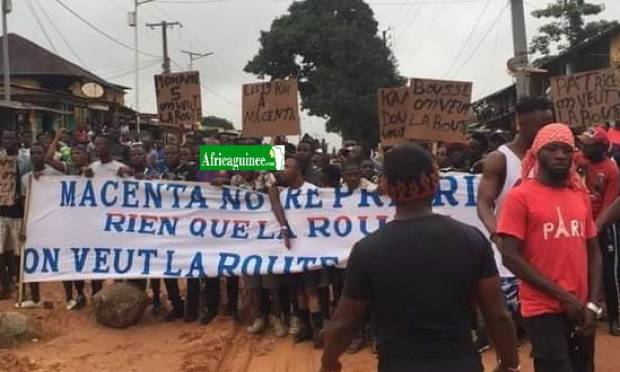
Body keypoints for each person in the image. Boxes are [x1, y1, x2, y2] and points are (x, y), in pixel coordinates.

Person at [321, 143, 519, 372]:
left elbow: (345, 323)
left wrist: (329, 363)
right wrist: (510, 364)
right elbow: (497, 315)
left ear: (385, 186)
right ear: (435, 182)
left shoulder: (367, 250)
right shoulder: (471, 240)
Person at [497, 123, 603, 372]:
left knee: (583, 367)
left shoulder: (579, 196)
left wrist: (592, 304)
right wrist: (563, 297)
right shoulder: (520, 197)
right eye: (552, 149)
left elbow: (594, 252)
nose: (560, 155)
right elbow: (510, 256)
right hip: (542, 308)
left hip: (581, 308)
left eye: (567, 150)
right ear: (536, 154)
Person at [476, 97, 554, 348]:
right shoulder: (499, 159)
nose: (545, 129)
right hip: (509, 252)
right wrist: (496, 235)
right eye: (540, 124)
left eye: (549, 123)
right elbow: (484, 204)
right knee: (505, 321)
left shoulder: (552, 158)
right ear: (520, 122)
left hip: (544, 252)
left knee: (541, 326)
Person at [230, 171, 288, 337]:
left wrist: (283, 226)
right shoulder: (235, 180)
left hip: (268, 235)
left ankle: (277, 317)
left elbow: (275, 202)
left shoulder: (267, 177)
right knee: (252, 283)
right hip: (247, 237)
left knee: (271, 282)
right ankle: (258, 318)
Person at [576, 127, 620, 336]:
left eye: (588, 144)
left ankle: (615, 317)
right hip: (579, 224)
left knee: (609, 272)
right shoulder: (578, 160)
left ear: (601, 149)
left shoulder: (612, 171)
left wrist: (593, 230)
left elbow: (609, 205)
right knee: (580, 270)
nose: (582, 147)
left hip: (603, 226)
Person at [281, 155, 324, 345]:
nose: (283, 170)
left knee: (311, 291)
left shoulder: (314, 191)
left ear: (298, 170)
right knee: (298, 292)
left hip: (310, 250)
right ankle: (305, 327)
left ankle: (318, 329)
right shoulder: (283, 195)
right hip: (291, 252)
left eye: (287, 166)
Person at [16, 143, 65, 309]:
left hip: (54, 222)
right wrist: (24, 225)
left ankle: (70, 297)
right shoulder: (25, 178)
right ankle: (35, 298)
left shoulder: (55, 174)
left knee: (61, 256)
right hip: (34, 223)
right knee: (31, 258)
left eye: (39, 153)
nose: (36, 156)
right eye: (33, 153)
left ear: (44, 154)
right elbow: (25, 203)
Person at [158, 144, 197, 322]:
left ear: (180, 155)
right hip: (168, 227)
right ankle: (176, 305)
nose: (169, 156)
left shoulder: (191, 171)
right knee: (169, 268)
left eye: (172, 152)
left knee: (191, 268)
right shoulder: (161, 173)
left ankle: (192, 308)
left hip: (189, 225)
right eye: (166, 153)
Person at [0, 130, 24, 300]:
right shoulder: (0, 157)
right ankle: (6, 282)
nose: (8, 141)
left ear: (17, 139)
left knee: (14, 250)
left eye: (11, 138)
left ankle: (17, 281)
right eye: (5, 138)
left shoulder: (25, 159)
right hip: (1, 212)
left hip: (17, 211)